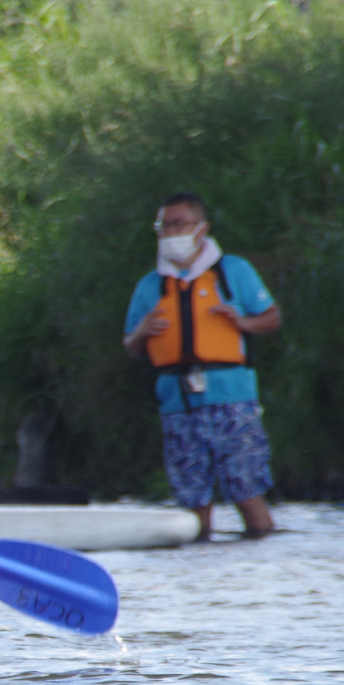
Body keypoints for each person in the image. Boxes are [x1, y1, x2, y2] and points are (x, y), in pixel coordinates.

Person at [123, 192, 282, 540]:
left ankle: (263, 565)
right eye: (164, 225)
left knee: (246, 490)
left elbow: (271, 319)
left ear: (202, 228)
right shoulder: (151, 286)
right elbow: (131, 346)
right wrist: (141, 332)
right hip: (178, 404)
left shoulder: (233, 271)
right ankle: (198, 578)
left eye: (179, 224)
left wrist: (242, 322)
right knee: (192, 503)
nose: (170, 232)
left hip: (232, 398)